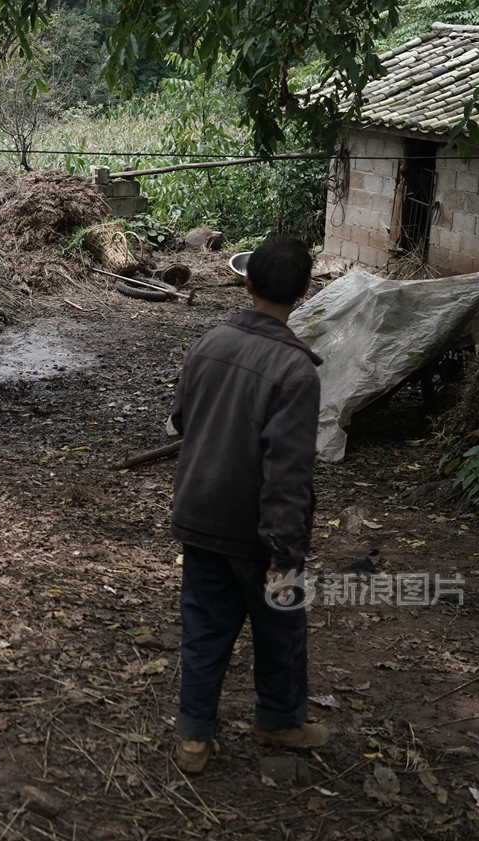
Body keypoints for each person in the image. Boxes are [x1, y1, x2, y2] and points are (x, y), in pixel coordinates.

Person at [167, 236, 326, 774]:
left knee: (206, 626)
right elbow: (288, 471)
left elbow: (183, 423)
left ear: (247, 282)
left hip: (199, 515)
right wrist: (286, 548)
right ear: (305, 290)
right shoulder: (297, 372)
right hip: (259, 532)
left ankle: (193, 738)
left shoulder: (208, 343)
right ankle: (278, 721)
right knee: (281, 627)